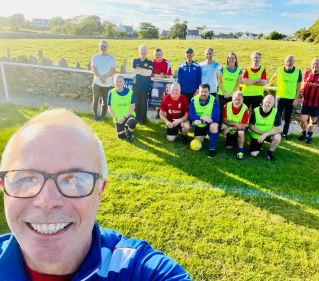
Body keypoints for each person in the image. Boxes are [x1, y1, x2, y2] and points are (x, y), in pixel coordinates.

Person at [0, 109, 192, 280]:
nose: (47, 202)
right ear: (3, 188)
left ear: (99, 191)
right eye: (26, 179)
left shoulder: (140, 270)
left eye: (73, 180)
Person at [266, 55, 302, 140]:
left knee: (287, 117)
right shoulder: (279, 70)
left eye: (290, 61)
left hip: (291, 99)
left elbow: (299, 85)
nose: (288, 63)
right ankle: (274, 133)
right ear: (284, 61)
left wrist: (296, 98)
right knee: (276, 116)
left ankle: (285, 134)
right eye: (287, 61)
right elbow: (273, 77)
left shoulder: (298, 71)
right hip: (280, 97)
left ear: (294, 61)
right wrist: (267, 85)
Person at [189, 83, 219, 158]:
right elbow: (191, 115)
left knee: (214, 126)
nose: (203, 93)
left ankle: (212, 149)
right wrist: (203, 117)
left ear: (209, 92)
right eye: (201, 91)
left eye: (205, 92)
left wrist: (202, 121)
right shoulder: (193, 100)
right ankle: (207, 133)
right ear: (199, 91)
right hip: (201, 124)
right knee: (199, 142)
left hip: (209, 123)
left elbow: (216, 117)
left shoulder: (214, 100)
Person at [249, 95, 282, 161]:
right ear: (263, 101)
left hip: (268, 135)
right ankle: (258, 146)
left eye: (269, 103)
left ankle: (269, 153)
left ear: (273, 104)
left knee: (278, 137)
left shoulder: (275, 112)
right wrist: (263, 134)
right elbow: (251, 127)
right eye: (266, 102)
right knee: (254, 154)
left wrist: (265, 135)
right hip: (257, 135)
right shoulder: (256, 110)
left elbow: (278, 129)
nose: (267, 104)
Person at [217, 52, 243, 132]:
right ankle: (217, 129)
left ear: (235, 59)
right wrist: (225, 92)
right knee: (220, 113)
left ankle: (232, 130)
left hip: (232, 97)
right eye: (229, 58)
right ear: (227, 59)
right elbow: (219, 81)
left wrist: (231, 94)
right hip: (222, 95)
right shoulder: (223, 69)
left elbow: (238, 83)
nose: (231, 60)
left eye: (233, 58)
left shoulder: (239, 70)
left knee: (231, 114)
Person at [91, 40, 117, 121]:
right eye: (102, 46)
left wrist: (104, 77)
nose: (103, 48)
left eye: (105, 46)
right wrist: (99, 77)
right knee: (95, 99)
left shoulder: (112, 58)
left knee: (105, 100)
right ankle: (95, 114)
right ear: (99, 47)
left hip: (107, 83)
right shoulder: (95, 57)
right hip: (96, 82)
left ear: (107, 47)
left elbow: (113, 70)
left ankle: (103, 115)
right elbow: (93, 68)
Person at [108, 74, 137, 142]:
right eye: (116, 81)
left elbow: (133, 106)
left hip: (128, 115)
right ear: (114, 83)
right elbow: (109, 108)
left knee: (132, 123)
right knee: (121, 136)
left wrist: (124, 118)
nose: (118, 83)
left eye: (120, 81)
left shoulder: (129, 91)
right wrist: (116, 119)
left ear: (124, 82)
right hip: (118, 118)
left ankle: (130, 134)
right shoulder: (111, 92)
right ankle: (126, 127)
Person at [222, 91, 249, 160]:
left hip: (240, 128)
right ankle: (236, 137)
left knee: (241, 132)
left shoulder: (245, 108)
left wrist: (230, 128)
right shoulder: (227, 105)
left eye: (239, 99)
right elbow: (224, 121)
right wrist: (235, 124)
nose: (236, 101)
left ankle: (240, 152)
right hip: (233, 127)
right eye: (235, 99)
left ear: (243, 99)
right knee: (229, 147)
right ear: (232, 99)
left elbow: (243, 126)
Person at [131, 45, 153, 125]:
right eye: (142, 50)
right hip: (136, 86)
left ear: (147, 52)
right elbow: (133, 71)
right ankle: (136, 118)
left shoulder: (149, 62)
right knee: (136, 103)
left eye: (144, 50)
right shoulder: (135, 60)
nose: (143, 52)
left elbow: (149, 73)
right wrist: (143, 70)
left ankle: (143, 119)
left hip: (145, 86)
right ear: (139, 51)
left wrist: (138, 71)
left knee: (143, 103)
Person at [152, 48, 173, 119]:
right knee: (156, 98)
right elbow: (150, 73)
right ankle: (158, 113)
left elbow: (168, 75)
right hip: (155, 83)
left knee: (164, 99)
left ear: (162, 55)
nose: (157, 56)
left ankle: (165, 113)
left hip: (164, 83)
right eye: (156, 55)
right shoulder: (152, 62)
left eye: (159, 54)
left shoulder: (167, 62)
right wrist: (158, 75)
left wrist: (162, 76)